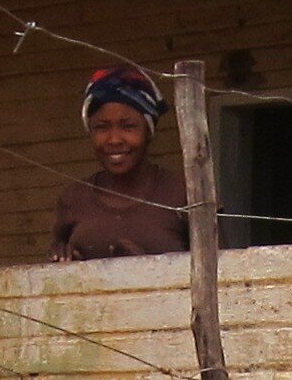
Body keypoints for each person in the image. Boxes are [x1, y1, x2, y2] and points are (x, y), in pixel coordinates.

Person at [48, 65, 194, 260]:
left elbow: (219, 274)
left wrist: (143, 267)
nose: (114, 139)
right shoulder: (73, 199)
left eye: (128, 126)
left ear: (149, 131)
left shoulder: (184, 195)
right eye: (102, 127)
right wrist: (63, 259)